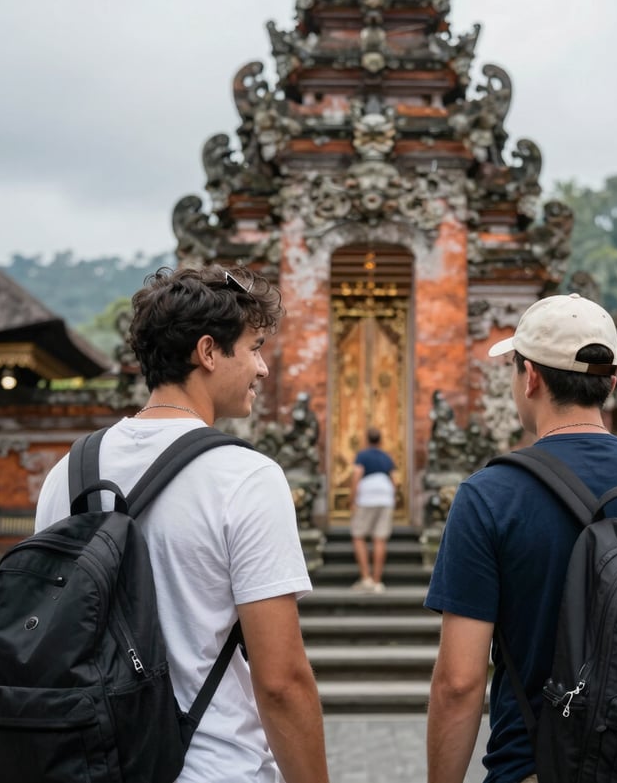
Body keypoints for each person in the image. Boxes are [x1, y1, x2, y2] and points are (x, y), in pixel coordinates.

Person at [35, 265, 330, 783]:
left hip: (86, 762)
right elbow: (281, 681)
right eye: (255, 347)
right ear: (209, 351)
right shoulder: (245, 476)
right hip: (211, 765)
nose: (263, 368)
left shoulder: (68, 471)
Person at [424, 292, 617, 783]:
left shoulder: (489, 497)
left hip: (539, 767)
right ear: (611, 380)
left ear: (529, 377)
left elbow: (459, 684)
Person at [349, 426, 397, 593]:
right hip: (385, 496)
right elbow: (394, 480)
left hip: (367, 496)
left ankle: (366, 577)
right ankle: (377, 581)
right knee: (380, 539)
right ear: (380, 440)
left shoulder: (362, 455)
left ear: (366, 439)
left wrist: (352, 499)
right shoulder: (387, 457)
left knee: (358, 535)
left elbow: (356, 475)